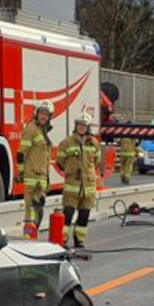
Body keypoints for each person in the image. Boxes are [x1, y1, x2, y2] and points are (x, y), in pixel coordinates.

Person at [57, 112, 102, 247]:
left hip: (88, 188)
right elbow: (60, 161)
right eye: (79, 125)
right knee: (68, 214)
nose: (81, 127)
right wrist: (70, 170)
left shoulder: (94, 143)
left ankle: (79, 240)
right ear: (75, 126)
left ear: (88, 127)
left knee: (84, 216)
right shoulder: (66, 142)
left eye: (84, 125)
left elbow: (97, 162)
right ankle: (63, 240)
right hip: (72, 186)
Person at [16, 101, 54, 240]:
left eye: (46, 114)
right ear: (36, 114)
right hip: (32, 176)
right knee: (31, 210)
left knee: (39, 210)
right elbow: (21, 153)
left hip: (42, 178)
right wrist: (21, 172)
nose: (43, 116)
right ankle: (28, 239)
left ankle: (33, 236)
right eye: (41, 113)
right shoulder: (31, 129)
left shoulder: (43, 131)